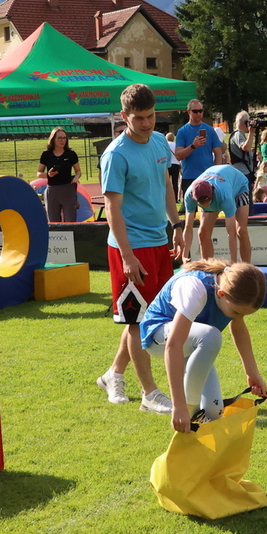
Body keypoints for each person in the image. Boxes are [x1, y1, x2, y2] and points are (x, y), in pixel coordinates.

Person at [95, 84, 184, 415]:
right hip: (132, 247)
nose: (146, 123)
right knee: (138, 321)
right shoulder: (116, 155)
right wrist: (128, 255)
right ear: (124, 116)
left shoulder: (159, 141)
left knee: (149, 316)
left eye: (150, 116)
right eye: (139, 118)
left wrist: (176, 226)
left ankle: (113, 375)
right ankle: (150, 394)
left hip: (159, 242)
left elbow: (166, 185)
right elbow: (112, 209)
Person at [139, 260, 267, 433]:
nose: (238, 316)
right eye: (236, 312)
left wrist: (252, 374)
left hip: (191, 341)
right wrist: (180, 406)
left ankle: (196, 420)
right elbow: (174, 345)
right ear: (221, 294)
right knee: (210, 336)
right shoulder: (195, 290)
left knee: (214, 413)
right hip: (158, 336)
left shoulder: (229, 292)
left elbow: (238, 328)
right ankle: (191, 408)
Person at [182, 164, 253, 264]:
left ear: (212, 193)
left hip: (238, 185)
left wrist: (233, 264)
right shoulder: (189, 196)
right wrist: (184, 256)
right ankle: (208, 267)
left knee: (240, 231)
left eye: (207, 201)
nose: (206, 205)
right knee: (203, 232)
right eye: (201, 203)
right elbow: (188, 227)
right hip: (218, 183)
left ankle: (246, 266)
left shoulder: (225, 196)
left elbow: (231, 233)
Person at [174, 99, 223, 198]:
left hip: (208, 176)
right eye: (195, 111)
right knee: (190, 206)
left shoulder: (210, 130)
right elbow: (178, 156)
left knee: (209, 205)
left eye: (200, 111)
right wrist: (193, 146)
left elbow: (218, 152)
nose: (198, 114)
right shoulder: (182, 131)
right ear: (188, 112)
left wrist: (216, 173)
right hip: (189, 176)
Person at [37, 127, 82, 223]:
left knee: (70, 221)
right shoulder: (46, 155)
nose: (62, 140)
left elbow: (78, 171)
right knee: (53, 221)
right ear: (53, 139)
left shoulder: (71, 154)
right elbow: (39, 173)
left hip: (68, 189)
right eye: (59, 138)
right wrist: (48, 174)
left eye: (64, 138)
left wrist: (76, 177)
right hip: (52, 190)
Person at [228, 112, 258, 186]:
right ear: (245, 123)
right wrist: (251, 132)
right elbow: (246, 148)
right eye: (249, 122)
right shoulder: (238, 134)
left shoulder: (239, 134)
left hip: (244, 171)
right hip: (242, 172)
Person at [165, 132, 181, 201]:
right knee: (175, 182)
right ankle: (175, 198)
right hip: (176, 164)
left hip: (167, 164)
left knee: (166, 182)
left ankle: (166, 198)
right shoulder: (176, 145)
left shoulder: (165, 145)